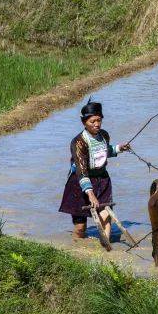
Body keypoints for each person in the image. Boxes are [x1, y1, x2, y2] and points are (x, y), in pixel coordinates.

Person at [58, 100, 131, 242]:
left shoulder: (103, 135)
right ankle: (77, 248)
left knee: (106, 216)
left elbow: (103, 151)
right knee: (80, 228)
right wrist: (90, 193)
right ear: (84, 122)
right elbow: (81, 169)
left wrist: (118, 148)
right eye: (93, 121)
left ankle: (106, 250)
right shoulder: (78, 142)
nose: (97, 124)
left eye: (99, 120)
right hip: (79, 183)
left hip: (102, 180)